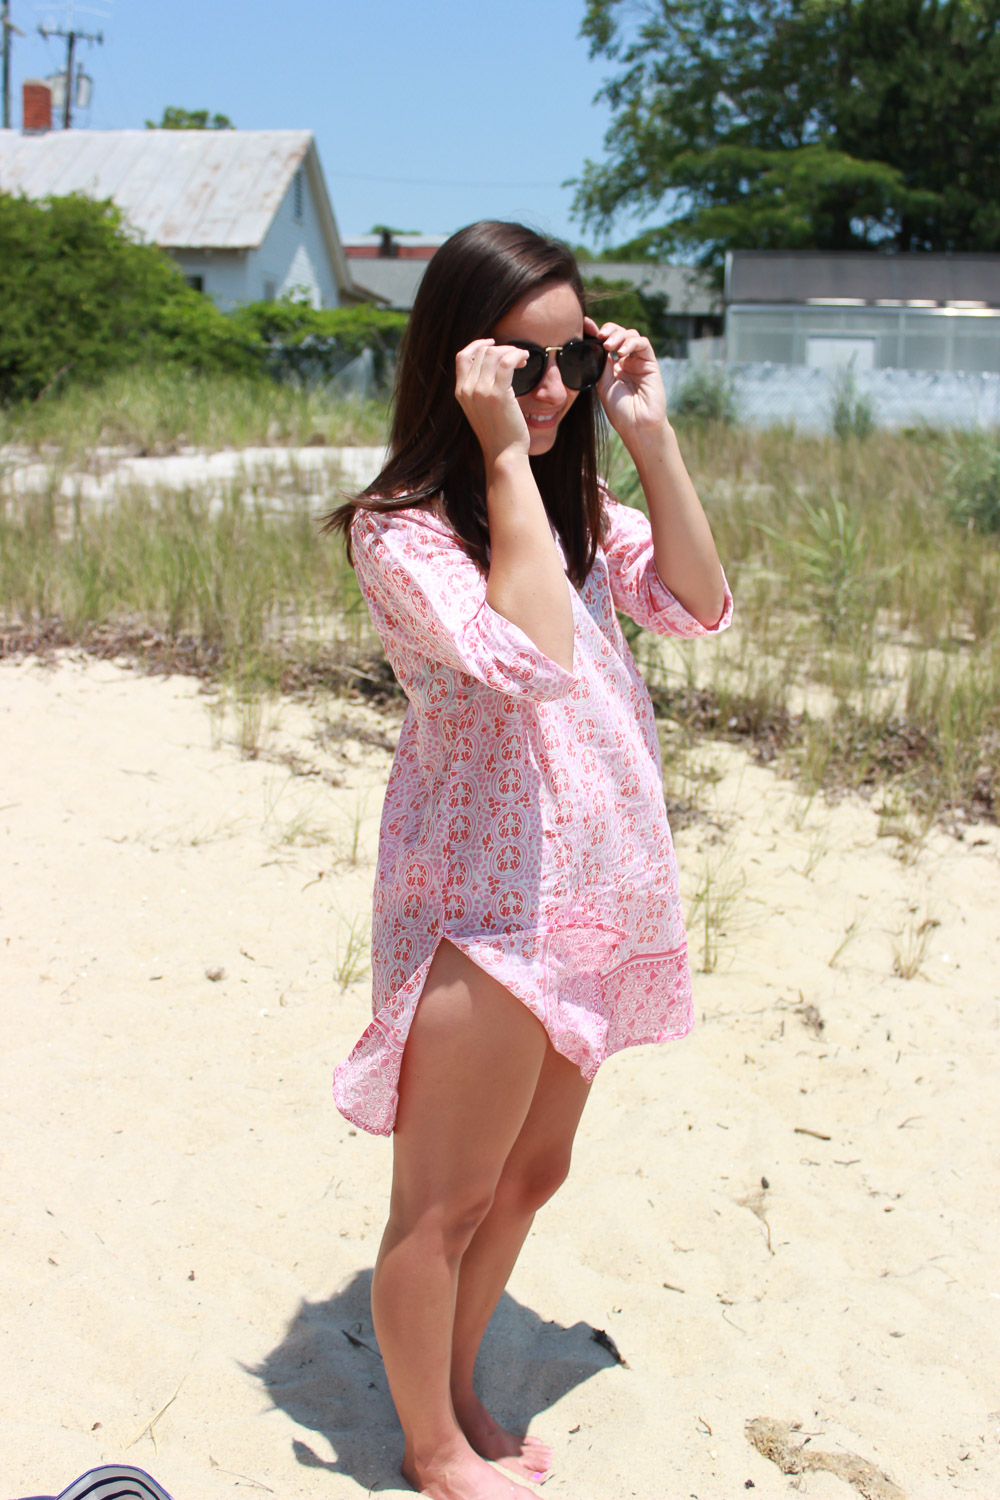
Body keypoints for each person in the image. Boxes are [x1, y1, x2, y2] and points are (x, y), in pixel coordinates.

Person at [324, 220, 732, 1500]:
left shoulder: (579, 501)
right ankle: (431, 1444)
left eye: (572, 364)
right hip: (488, 904)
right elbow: (527, 655)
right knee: (442, 1203)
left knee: (532, 1174)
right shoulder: (401, 531)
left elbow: (700, 604)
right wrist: (501, 450)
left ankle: (452, 1391)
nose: (555, 391)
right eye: (524, 364)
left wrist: (649, 430)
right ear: (463, 362)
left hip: (596, 892)